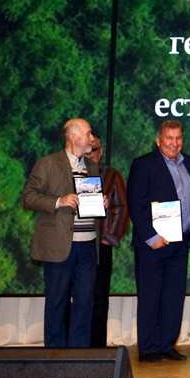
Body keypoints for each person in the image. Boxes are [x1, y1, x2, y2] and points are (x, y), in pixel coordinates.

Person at [20, 118, 101, 347]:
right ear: (73, 137)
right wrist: (58, 201)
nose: (92, 138)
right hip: (59, 245)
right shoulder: (47, 163)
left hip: (88, 244)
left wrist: (100, 202)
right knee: (57, 302)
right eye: (88, 133)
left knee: (85, 303)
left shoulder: (92, 166)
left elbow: (89, 202)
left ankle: (79, 355)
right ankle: (54, 356)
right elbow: (27, 198)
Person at [127, 119, 190, 363]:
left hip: (180, 242)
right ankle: (148, 349)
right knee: (150, 298)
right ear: (158, 140)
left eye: (178, 138)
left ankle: (167, 345)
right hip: (153, 244)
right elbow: (135, 204)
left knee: (173, 298)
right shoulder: (143, 164)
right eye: (169, 138)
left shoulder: (189, 162)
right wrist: (151, 237)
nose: (174, 143)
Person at [82, 132, 130, 347]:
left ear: (100, 152)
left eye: (93, 149)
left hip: (100, 247)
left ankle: (97, 349)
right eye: (85, 149)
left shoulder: (113, 176)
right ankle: (71, 346)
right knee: (71, 298)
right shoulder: (68, 174)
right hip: (71, 246)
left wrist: (108, 239)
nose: (89, 154)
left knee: (99, 299)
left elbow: (123, 210)